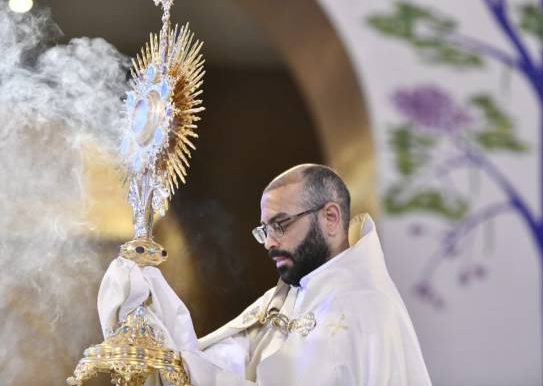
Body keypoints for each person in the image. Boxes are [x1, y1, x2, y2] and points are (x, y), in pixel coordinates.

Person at [97, 164, 432, 385]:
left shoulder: (366, 311)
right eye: (265, 230)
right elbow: (225, 363)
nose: (270, 242)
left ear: (330, 218)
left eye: (281, 225)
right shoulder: (286, 299)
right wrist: (156, 319)